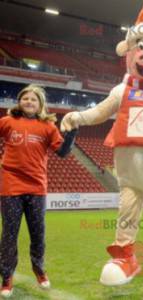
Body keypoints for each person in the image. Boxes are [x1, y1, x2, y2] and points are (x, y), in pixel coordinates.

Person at [0, 84, 77, 298]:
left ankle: (39, 269)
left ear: (40, 105)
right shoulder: (7, 122)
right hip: (11, 186)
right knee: (9, 235)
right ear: (19, 102)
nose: (29, 102)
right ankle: (6, 278)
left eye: (34, 99)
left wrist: (71, 135)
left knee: (38, 234)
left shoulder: (48, 127)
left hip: (36, 188)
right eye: (25, 98)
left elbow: (62, 153)